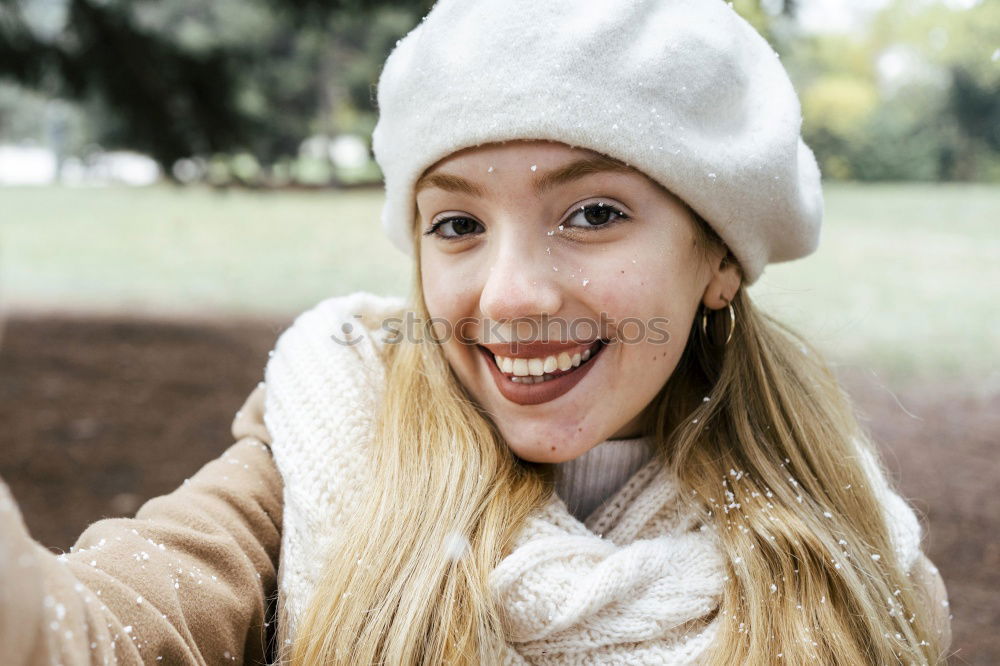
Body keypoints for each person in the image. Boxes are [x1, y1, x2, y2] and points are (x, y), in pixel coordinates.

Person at [0, 0, 953, 664]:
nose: (509, 296)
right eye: (456, 225)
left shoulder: (858, 570)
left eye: (592, 214)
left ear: (720, 260)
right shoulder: (327, 438)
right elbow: (99, 632)